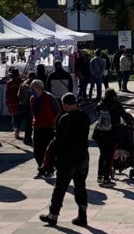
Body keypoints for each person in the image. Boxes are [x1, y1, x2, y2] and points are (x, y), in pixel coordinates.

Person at [39, 93, 91, 227]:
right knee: (80, 186)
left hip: (68, 157)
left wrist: (52, 160)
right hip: (83, 156)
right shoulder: (85, 117)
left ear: (65, 104)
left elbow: (59, 141)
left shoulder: (64, 119)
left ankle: (53, 216)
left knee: (60, 187)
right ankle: (82, 216)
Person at [93, 88, 134, 186]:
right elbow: (125, 117)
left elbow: (97, 117)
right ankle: (106, 179)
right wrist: (129, 124)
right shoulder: (117, 105)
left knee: (102, 155)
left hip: (99, 133)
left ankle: (100, 175)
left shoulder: (100, 105)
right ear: (114, 96)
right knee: (109, 156)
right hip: (112, 133)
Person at [30, 80, 61, 178]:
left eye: (33, 88)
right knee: (37, 150)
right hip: (37, 126)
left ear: (39, 88)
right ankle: (41, 168)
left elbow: (58, 110)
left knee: (49, 150)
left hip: (48, 127)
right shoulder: (32, 99)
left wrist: (55, 122)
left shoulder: (49, 97)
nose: (31, 90)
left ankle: (50, 170)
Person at [5, 68, 24, 140]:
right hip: (19, 102)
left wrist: (7, 102)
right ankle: (17, 131)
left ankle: (15, 129)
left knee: (13, 116)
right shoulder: (21, 82)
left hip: (11, 102)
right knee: (19, 117)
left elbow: (7, 94)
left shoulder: (9, 83)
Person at [18, 72, 36, 143]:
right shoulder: (33, 85)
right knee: (30, 121)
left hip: (24, 105)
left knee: (27, 121)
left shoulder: (23, 84)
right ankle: (28, 137)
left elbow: (18, 94)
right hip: (30, 104)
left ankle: (27, 136)